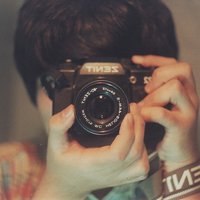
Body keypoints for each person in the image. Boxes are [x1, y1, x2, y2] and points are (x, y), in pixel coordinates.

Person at [0, 0, 200, 199]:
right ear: (32, 89)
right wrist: (61, 189)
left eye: (114, 83)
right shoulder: (7, 172)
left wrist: (181, 163)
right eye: (65, 82)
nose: (87, 104)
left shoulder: (182, 164)